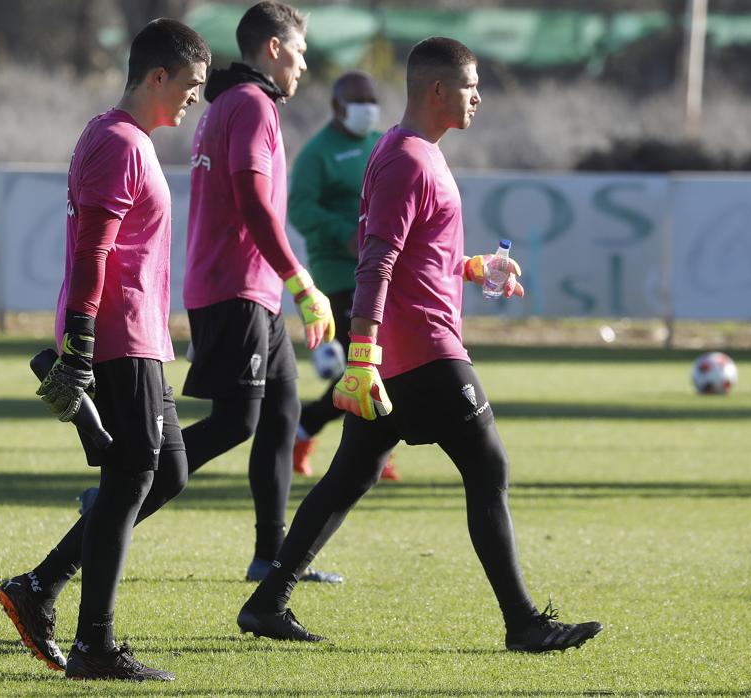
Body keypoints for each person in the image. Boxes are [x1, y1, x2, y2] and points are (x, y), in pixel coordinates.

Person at [236, 37, 603, 653]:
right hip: (423, 352)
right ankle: (523, 623)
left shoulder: (411, 152)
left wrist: (474, 267)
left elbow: (417, 254)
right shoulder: (409, 158)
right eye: (469, 86)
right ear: (437, 91)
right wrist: (363, 355)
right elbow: (377, 263)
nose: (477, 96)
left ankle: (267, 601)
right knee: (489, 467)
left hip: (401, 353)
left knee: (349, 477)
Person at [0, 20, 210, 681]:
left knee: (163, 470)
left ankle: (40, 587)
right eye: (191, 85)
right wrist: (82, 343)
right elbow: (94, 248)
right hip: (118, 335)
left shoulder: (126, 140)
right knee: (129, 479)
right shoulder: (118, 143)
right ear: (156, 77)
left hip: (137, 335)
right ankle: (94, 645)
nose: (194, 100)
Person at [181, 1, 341, 585]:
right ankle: (121, 485)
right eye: (299, 51)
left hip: (252, 289)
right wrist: (304, 284)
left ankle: (270, 558)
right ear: (274, 48)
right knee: (236, 422)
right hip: (237, 287)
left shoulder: (230, 103)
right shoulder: (250, 105)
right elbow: (251, 204)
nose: (303, 64)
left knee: (281, 413)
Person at [287, 70, 398, 481]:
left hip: (383, 270)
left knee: (380, 365)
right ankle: (317, 434)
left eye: (373, 102)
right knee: (364, 365)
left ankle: (311, 431)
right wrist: (343, 233)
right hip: (339, 275)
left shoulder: (381, 142)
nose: (368, 111)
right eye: (358, 102)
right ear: (337, 106)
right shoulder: (318, 153)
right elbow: (299, 208)